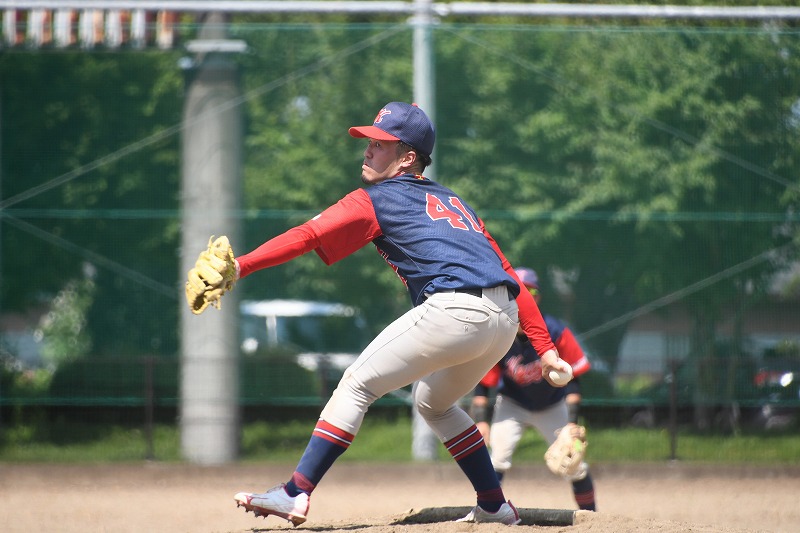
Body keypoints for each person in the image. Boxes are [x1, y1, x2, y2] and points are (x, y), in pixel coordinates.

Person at [227, 102, 571, 526]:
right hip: (502, 322)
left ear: (407, 158)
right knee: (434, 403)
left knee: (356, 384)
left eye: (380, 144)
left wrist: (240, 265)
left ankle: (295, 492)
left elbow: (308, 234)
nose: (368, 150)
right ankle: (494, 504)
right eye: (370, 142)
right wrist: (546, 349)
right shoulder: (454, 201)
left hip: (455, 311)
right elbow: (507, 274)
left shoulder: (378, 198)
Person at [468, 267, 597, 511]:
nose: (523, 297)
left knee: (574, 464)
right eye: (517, 291)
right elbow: (484, 382)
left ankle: (592, 518)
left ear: (538, 297)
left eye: (530, 292)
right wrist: (481, 421)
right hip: (512, 404)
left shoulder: (555, 330)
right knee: (496, 460)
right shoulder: (498, 334)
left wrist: (571, 422)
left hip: (552, 405)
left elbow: (574, 379)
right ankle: (489, 511)